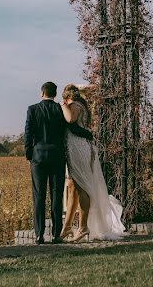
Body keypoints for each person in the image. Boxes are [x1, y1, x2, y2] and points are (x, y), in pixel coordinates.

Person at [23, 81, 93, 244]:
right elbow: (72, 128)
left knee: (39, 196)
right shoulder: (59, 109)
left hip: (38, 158)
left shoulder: (32, 109)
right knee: (56, 195)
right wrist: (89, 135)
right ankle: (56, 235)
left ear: (42, 93)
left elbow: (28, 135)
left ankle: (39, 234)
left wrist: (29, 156)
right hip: (57, 157)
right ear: (54, 94)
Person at [60, 83, 127, 241]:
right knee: (72, 188)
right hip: (75, 148)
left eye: (64, 99)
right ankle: (67, 227)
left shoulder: (74, 106)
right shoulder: (80, 105)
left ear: (67, 97)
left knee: (82, 187)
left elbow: (70, 120)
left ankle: (83, 227)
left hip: (78, 149)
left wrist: (63, 106)